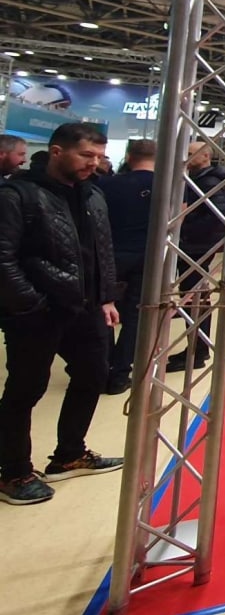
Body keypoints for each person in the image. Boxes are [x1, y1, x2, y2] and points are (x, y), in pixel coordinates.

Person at [0, 122, 122, 505]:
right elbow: (3, 258)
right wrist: (30, 304)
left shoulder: (94, 195)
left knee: (93, 375)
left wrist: (106, 297)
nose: (94, 163)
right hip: (36, 313)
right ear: (57, 152)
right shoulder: (17, 195)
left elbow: (101, 251)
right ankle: (14, 472)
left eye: (99, 156)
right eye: (86, 155)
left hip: (85, 308)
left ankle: (69, 454)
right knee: (25, 390)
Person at [97, 139, 156, 395]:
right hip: (148, 256)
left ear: (129, 156)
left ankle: (101, 367)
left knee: (103, 312)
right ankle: (120, 373)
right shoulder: (169, 185)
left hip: (109, 255)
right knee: (136, 316)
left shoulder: (106, 184)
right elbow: (177, 220)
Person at [166, 142, 225, 372]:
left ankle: (198, 352)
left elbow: (218, 217)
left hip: (197, 248)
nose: (186, 157)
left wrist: (184, 231)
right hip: (193, 247)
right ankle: (195, 349)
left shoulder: (208, 182)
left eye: (190, 154)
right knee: (192, 298)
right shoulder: (196, 180)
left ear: (205, 156)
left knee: (196, 300)